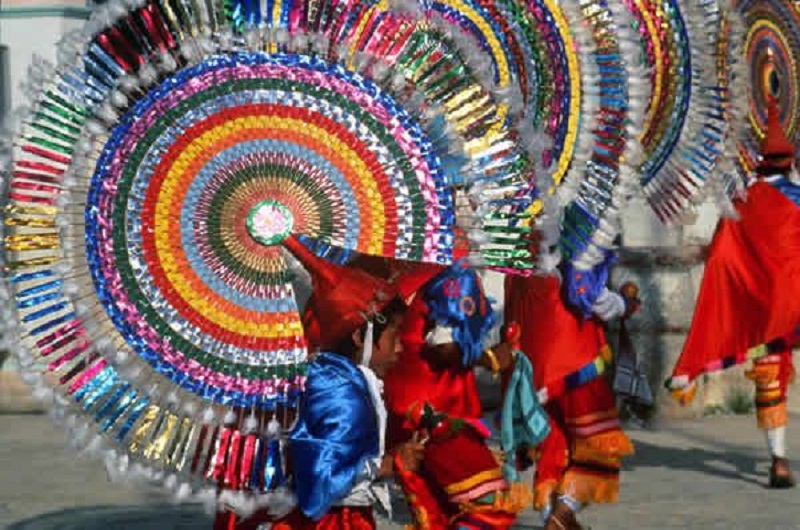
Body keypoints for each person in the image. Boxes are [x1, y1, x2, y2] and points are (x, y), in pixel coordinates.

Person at [668, 97, 800, 488]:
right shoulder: (794, 200)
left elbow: (723, 257)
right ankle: (778, 460)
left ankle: (778, 459)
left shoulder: (740, 201)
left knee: (770, 377)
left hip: (762, 312)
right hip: (793, 304)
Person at [504, 241, 639, 530]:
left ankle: (555, 519)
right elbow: (586, 295)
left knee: (553, 441)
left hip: (531, 356)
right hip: (572, 356)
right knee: (598, 441)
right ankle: (562, 513)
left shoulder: (519, 226)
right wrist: (623, 304)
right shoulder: (575, 222)